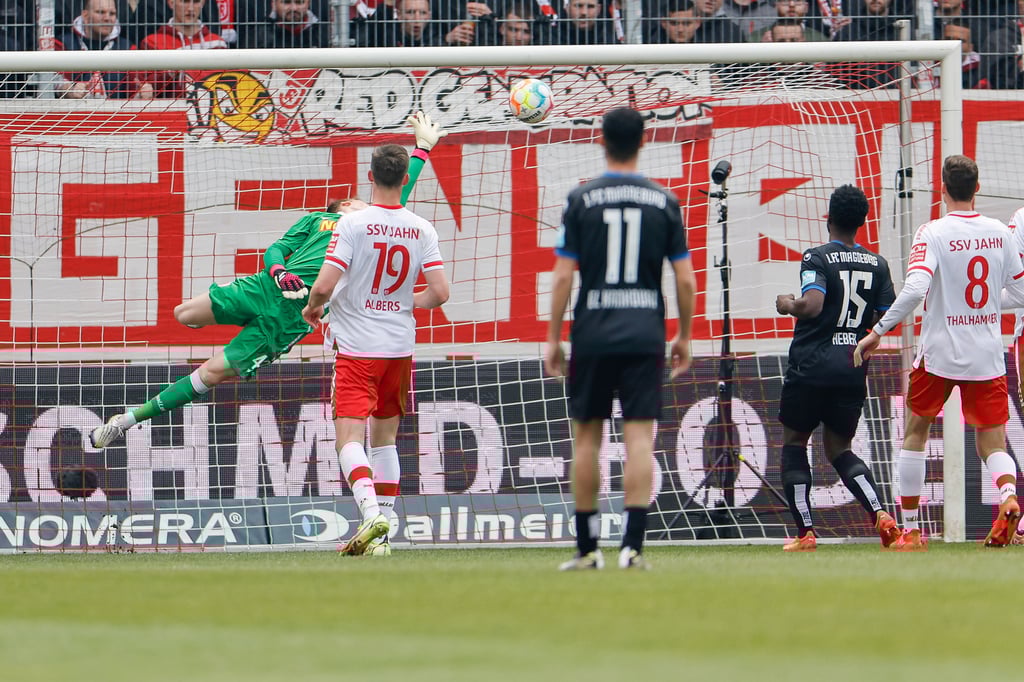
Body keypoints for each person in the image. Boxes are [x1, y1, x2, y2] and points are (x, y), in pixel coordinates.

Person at [89, 111, 447, 470]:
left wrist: (422, 150)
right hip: (266, 286)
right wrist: (278, 273)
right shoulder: (316, 220)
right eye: (355, 201)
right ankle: (238, 325)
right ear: (342, 207)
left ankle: (126, 421)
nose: (364, 203)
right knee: (185, 315)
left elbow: (398, 186)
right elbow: (275, 250)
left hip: (288, 318)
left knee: (212, 373)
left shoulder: (367, 225)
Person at [545, 107, 696, 571]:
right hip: (644, 332)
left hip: (592, 331)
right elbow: (686, 281)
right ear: (643, 142)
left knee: (586, 441)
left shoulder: (581, 198)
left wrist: (553, 338)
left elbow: (562, 278)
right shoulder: (664, 201)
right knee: (639, 441)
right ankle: (632, 548)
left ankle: (588, 549)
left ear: (602, 142)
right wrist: (684, 336)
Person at [855, 155, 1024, 549]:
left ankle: (912, 530)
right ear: (977, 188)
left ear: (942, 188)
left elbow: (915, 290)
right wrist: (982, 307)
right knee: (993, 442)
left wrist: (879, 330)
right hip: (986, 354)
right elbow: (1021, 291)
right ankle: (1008, 497)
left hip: (939, 353)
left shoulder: (931, 232)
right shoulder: (999, 232)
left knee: (915, 432)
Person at [301, 145, 450, 557]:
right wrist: (404, 302)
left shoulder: (351, 224)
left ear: (370, 177)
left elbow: (326, 284)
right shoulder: (423, 228)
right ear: (405, 180)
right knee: (385, 442)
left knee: (348, 438)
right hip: (399, 347)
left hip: (357, 348)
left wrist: (313, 308)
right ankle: (383, 535)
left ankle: (370, 516)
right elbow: (439, 293)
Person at [774, 185, 901, 552]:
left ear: (827, 218)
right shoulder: (878, 264)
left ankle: (806, 534)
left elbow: (811, 306)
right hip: (851, 366)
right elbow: (887, 315)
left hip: (811, 366)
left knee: (795, 443)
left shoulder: (817, 257)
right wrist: (864, 335)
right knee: (840, 448)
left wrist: (786, 303)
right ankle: (880, 514)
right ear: (863, 222)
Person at [134, 0, 229, 99]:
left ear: (202, 3)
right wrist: (170, 73)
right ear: (171, 3)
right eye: (185, 2)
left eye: (196, 2)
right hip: (170, 112)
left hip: (210, 110)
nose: (191, 8)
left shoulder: (217, 42)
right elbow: (143, 87)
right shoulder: (153, 42)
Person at [55, 0, 139, 100]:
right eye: (100, 12)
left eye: (112, 13)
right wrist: (69, 91)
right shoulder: (62, 44)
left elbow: (135, 88)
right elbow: (55, 82)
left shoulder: (129, 48)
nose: (107, 18)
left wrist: (142, 92)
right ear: (85, 16)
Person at [238, 0, 331, 49]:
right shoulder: (258, 36)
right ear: (273, 4)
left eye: (299, 2)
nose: (293, 8)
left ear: (308, 3)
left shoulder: (324, 34)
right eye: (286, 2)